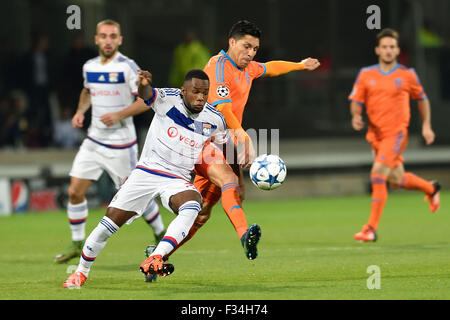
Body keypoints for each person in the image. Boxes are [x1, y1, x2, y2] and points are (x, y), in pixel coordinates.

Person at [159, 20, 320, 261]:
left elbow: (270, 67)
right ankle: (245, 236)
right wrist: (244, 138)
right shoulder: (218, 66)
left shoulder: (248, 68)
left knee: (202, 213)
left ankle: (158, 255)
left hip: (222, 141)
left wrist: (299, 65)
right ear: (231, 42)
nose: (251, 53)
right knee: (229, 181)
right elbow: (223, 109)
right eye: (246, 47)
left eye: (255, 49)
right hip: (200, 139)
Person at [62, 68, 228, 288]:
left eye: (205, 93)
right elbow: (147, 94)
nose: (200, 97)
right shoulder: (167, 99)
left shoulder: (215, 119)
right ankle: (81, 272)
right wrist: (143, 84)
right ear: (183, 91)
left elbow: (219, 150)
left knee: (192, 205)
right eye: (195, 91)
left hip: (177, 178)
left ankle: (156, 257)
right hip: (147, 172)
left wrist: (234, 164)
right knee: (108, 224)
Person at [55, 19, 165, 264]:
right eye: (103, 36)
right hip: (93, 141)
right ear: (96, 39)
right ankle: (76, 243)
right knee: (74, 192)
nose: (107, 40)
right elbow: (87, 91)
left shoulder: (128, 67)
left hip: (121, 145)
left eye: (112, 36)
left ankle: (160, 233)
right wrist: (80, 111)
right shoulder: (89, 66)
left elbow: (146, 100)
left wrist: (118, 114)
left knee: (136, 197)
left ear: (120, 40)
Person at [348, 28, 440, 242]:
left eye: (392, 47)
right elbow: (356, 100)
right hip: (376, 135)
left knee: (378, 174)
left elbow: (422, 99)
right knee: (397, 179)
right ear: (377, 50)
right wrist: (355, 116)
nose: (388, 50)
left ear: (398, 50)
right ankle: (431, 188)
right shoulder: (366, 74)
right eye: (384, 47)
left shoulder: (407, 75)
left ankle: (370, 228)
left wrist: (426, 126)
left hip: (396, 134)